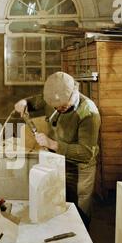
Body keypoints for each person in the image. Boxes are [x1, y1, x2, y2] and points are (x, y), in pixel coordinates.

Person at [15, 72, 101, 230]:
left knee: (80, 211)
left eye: (63, 105)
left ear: (73, 93)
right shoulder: (53, 99)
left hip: (81, 167)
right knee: (57, 205)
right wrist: (24, 102)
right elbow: (35, 101)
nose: (58, 109)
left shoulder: (88, 113)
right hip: (58, 161)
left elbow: (86, 152)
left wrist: (52, 144)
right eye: (55, 106)